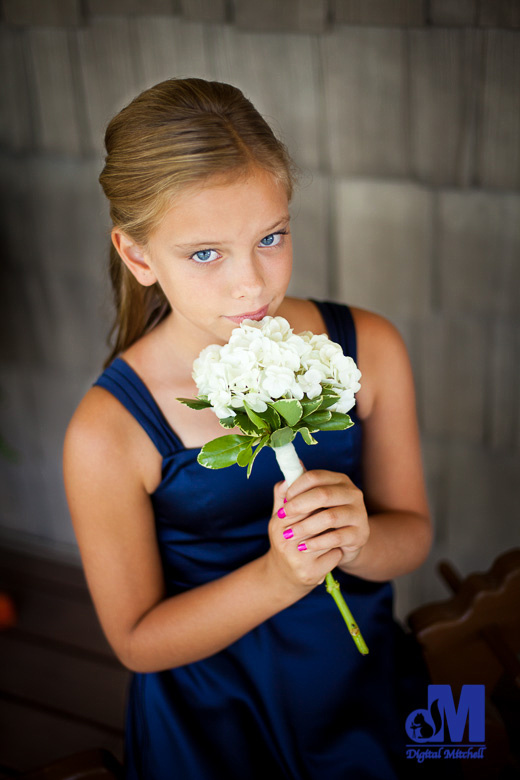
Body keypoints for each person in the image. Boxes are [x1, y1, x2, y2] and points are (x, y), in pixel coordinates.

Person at [63, 77, 435, 780]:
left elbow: (412, 535)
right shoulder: (108, 432)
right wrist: (279, 576)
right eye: (206, 254)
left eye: (271, 237)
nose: (252, 285)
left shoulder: (371, 346)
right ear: (139, 256)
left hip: (365, 676)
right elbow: (137, 643)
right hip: (216, 722)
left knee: (459, 743)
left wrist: (359, 539)